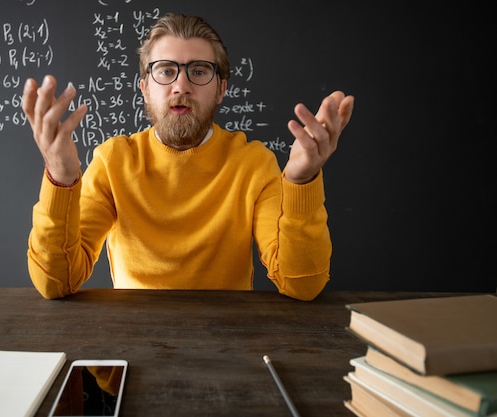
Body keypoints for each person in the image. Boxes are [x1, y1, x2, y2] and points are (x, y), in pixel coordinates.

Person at [21, 13, 354, 301]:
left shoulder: (253, 163)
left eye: (198, 71)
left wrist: (302, 180)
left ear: (221, 89)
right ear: (145, 87)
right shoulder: (113, 162)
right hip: (132, 352)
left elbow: (302, 284)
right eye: (166, 71)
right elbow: (56, 283)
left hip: (229, 349)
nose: (181, 85)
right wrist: (60, 176)